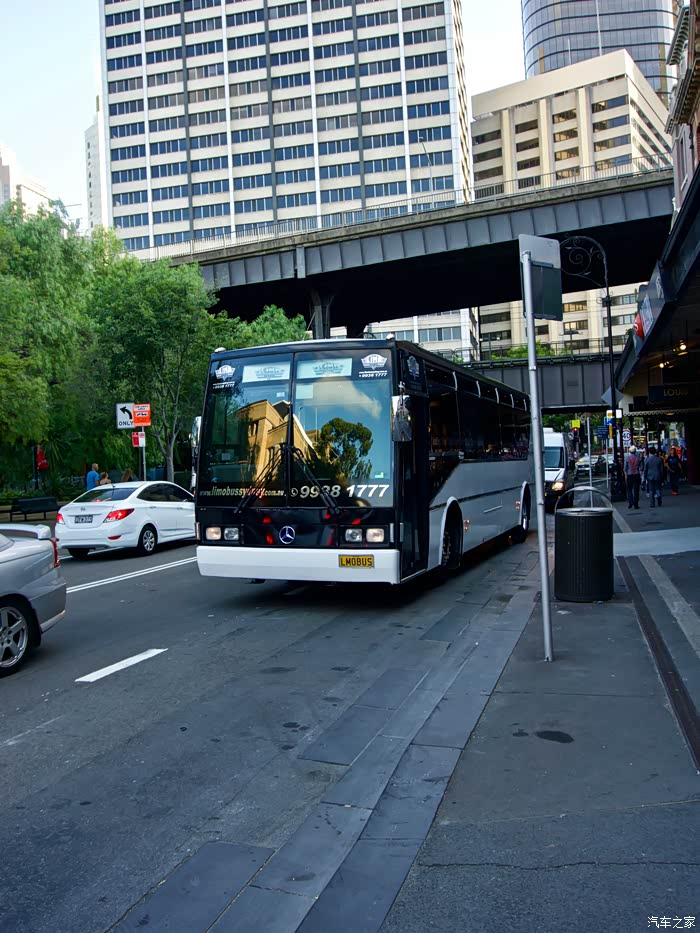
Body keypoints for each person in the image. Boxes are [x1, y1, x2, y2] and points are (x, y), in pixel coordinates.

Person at [623, 445, 642, 509]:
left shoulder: (627, 458)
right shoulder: (638, 458)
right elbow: (641, 468)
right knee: (636, 490)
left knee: (629, 489)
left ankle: (630, 502)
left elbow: (625, 468)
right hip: (636, 475)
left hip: (629, 475)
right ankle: (636, 504)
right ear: (635, 451)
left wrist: (625, 476)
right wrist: (640, 475)